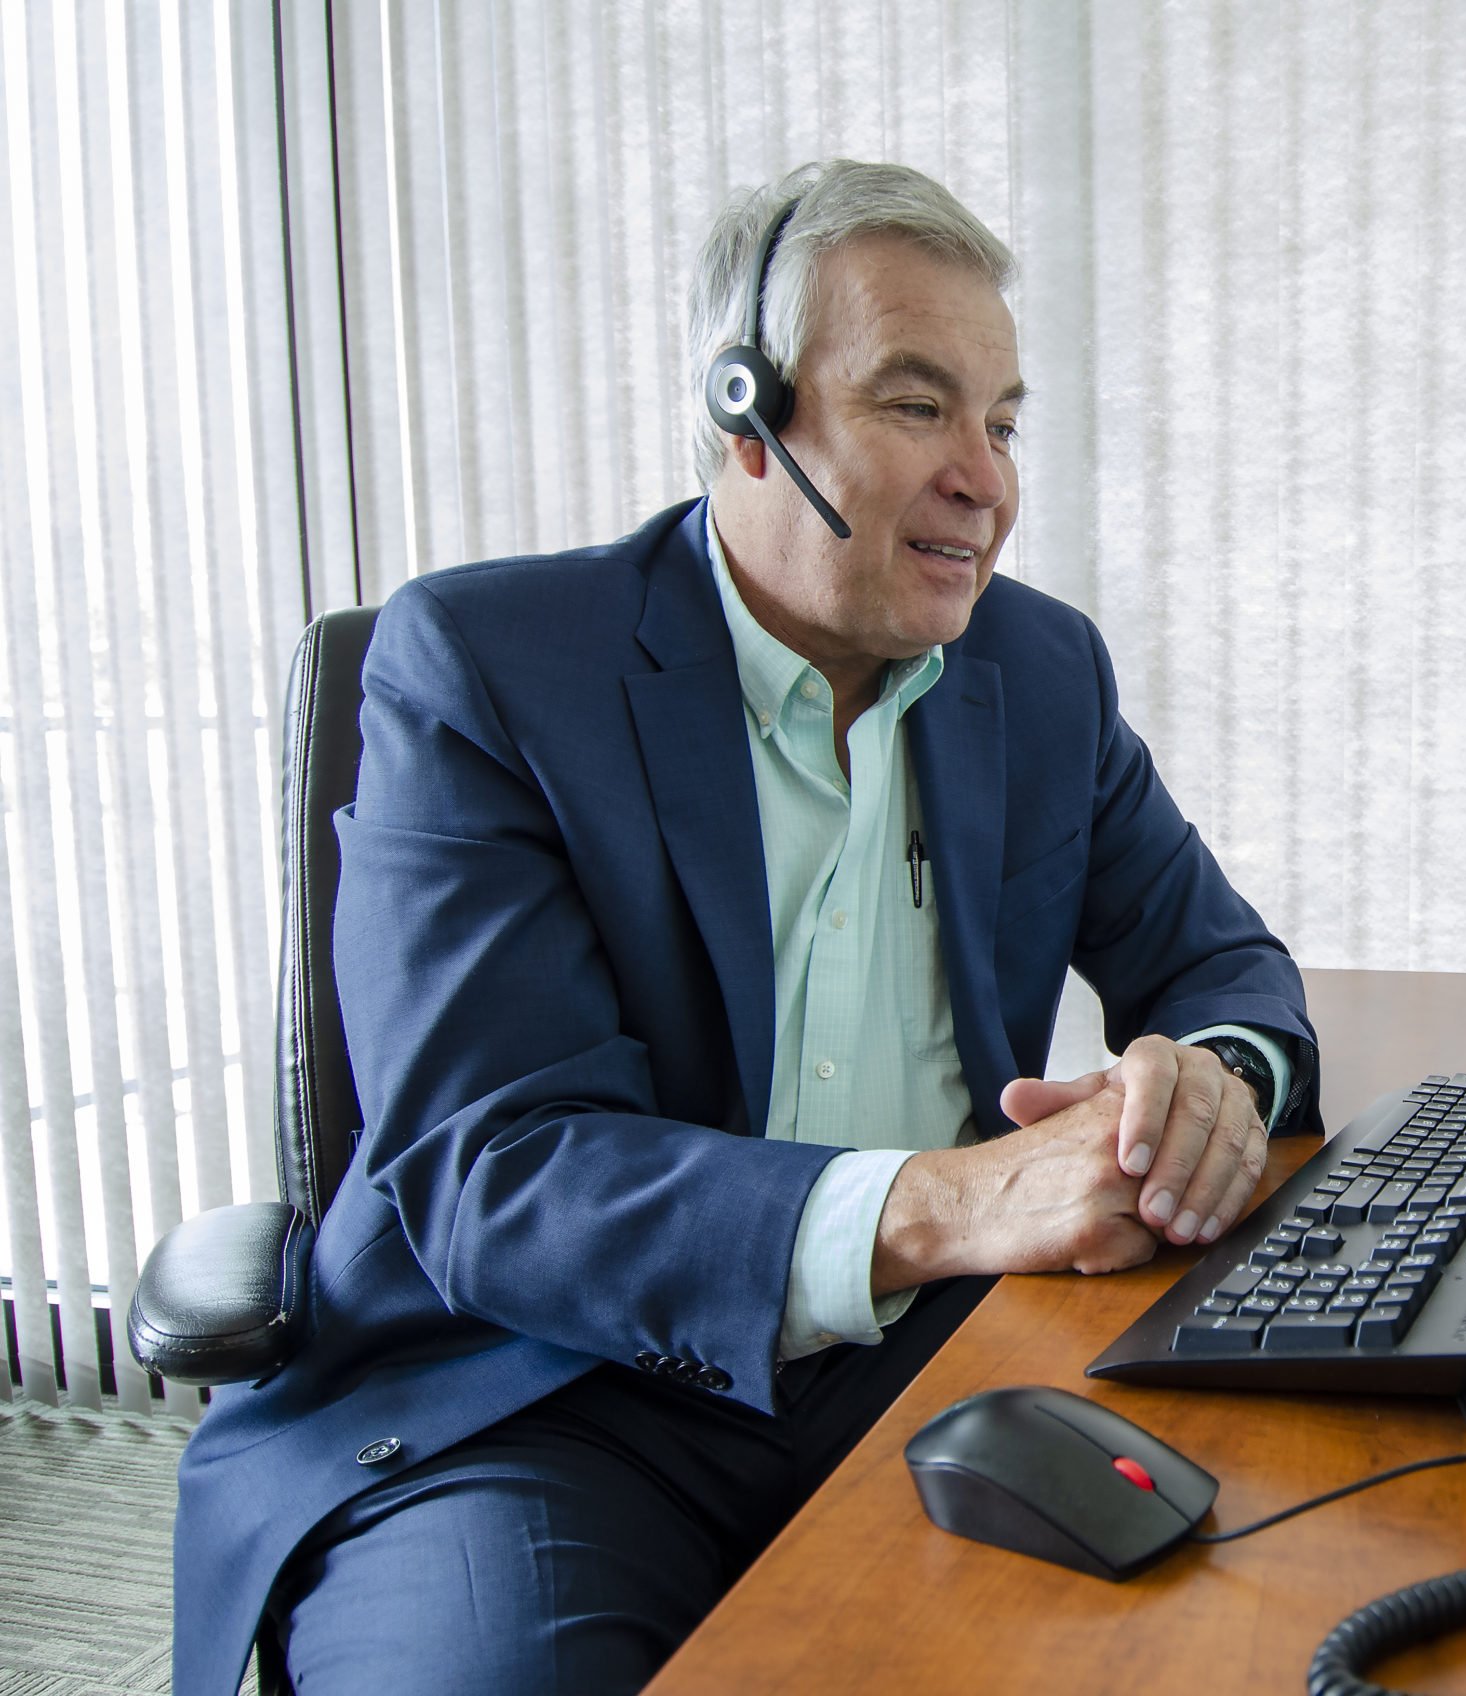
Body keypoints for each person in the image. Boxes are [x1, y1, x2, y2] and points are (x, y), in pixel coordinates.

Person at [170, 159, 1319, 1696]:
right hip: (537, 1397)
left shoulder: (1040, 676)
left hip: (931, 1363)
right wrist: (950, 1204)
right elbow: (495, 1171)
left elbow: (1221, 967)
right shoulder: (490, 667)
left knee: (1252, 1621)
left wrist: (1213, 1084)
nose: (988, 478)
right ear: (748, 415)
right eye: (920, 407)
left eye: (1005, 419)